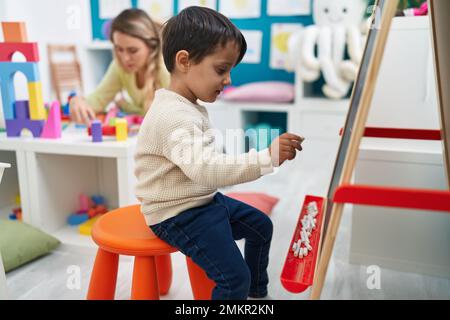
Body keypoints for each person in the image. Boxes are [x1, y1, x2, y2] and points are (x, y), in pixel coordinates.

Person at [134, 6, 304, 300]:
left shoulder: (187, 106)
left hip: (201, 200)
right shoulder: (173, 116)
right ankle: (241, 290)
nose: (228, 80)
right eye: (221, 69)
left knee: (261, 227)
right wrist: (267, 158)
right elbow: (207, 169)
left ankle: (255, 294)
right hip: (175, 214)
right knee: (232, 279)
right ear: (184, 61)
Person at [70, 9, 170, 125]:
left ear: (151, 46)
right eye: (119, 49)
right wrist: (78, 101)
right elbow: (99, 99)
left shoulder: (165, 68)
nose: (125, 58)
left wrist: (127, 107)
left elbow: (175, 115)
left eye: (133, 50)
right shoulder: (119, 66)